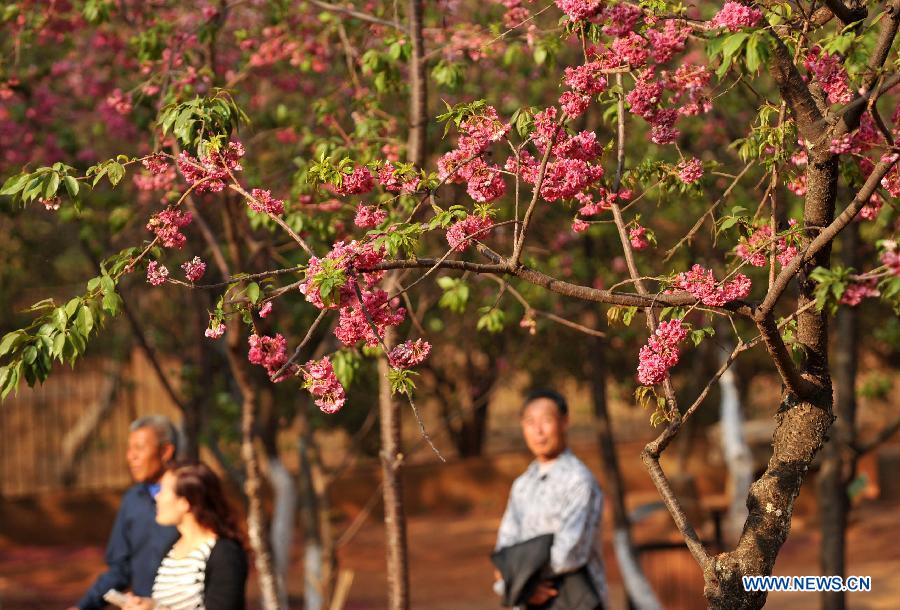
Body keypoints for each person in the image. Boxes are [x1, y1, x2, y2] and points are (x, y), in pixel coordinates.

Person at [493, 389, 608, 609]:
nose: (538, 431)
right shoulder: (522, 485)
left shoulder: (578, 480)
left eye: (546, 421)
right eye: (530, 422)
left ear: (564, 422)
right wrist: (523, 589)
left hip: (574, 600)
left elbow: (570, 553)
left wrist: (521, 581)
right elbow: (503, 550)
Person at [69, 416, 181, 610]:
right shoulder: (132, 500)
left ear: (165, 451)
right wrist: (83, 607)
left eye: (139, 448)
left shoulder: (191, 498)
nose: (131, 456)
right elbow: (120, 570)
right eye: (129, 449)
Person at [123, 461, 248, 610]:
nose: (157, 497)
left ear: (185, 502)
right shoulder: (172, 548)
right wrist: (147, 605)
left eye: (162, 491)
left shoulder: (224, 554)